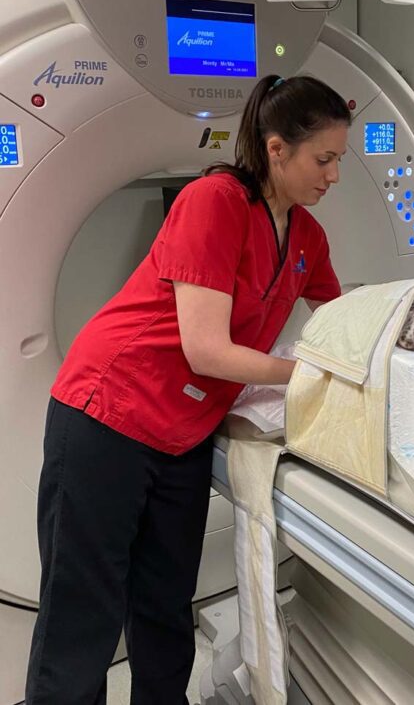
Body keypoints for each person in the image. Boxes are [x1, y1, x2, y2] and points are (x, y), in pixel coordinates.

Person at [25, 74, 351, 704]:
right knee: (83, 607)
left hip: (185, 433)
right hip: (108, 411)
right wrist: (314, 375)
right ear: (277, 149)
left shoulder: (306, 236)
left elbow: (343, 320)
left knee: (165, 605)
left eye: (340, 159)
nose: (334, 175)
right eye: (325, 159)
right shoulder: (215, 201)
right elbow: (206, 349)